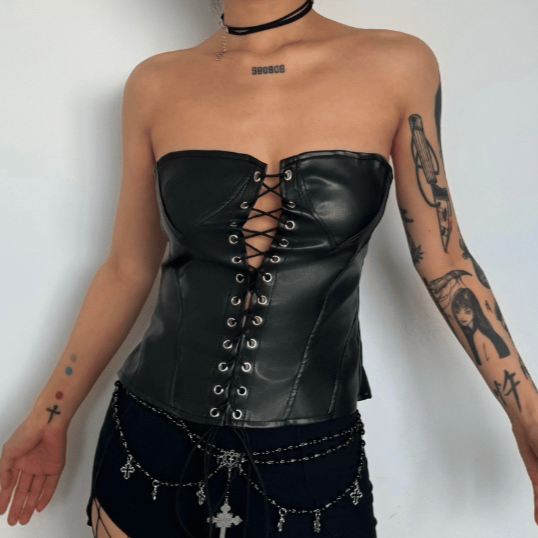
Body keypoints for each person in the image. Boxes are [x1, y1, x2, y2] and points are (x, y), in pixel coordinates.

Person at [1, 0, 537, 536]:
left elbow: (445, 260)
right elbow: (127, 268)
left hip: (309, 455)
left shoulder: (397, 63)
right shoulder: (155, 82)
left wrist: (529, 415)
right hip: (149, 442)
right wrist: (50, 417)